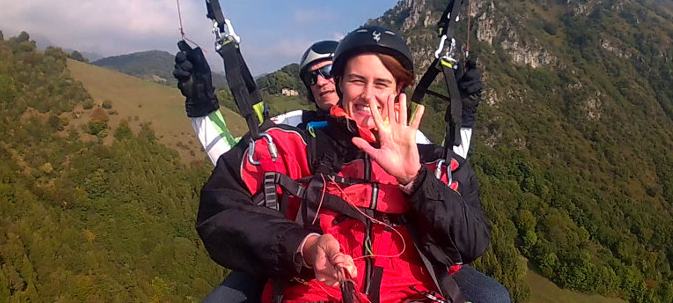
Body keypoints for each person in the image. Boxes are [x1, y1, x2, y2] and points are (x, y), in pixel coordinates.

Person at [193, 25, 511, 302]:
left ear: (399, 89)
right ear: (341, 82)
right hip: (311, 286)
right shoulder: (294, 140)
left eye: (381, 84)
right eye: (357, 81)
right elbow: (223, 200)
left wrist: (415, 179)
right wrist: (303, 244)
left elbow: (471, 241)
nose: (367, 96)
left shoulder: (423, 152)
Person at [173, 40, 482, 168]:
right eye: (312, 77)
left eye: (327, 72)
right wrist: (202, 106)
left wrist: (463, 113)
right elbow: (238, 163)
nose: (320, 81)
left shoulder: (395, 130)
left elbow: (449, 169)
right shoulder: (294, 125)